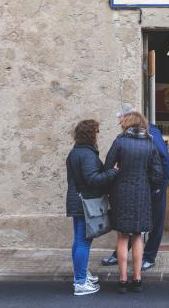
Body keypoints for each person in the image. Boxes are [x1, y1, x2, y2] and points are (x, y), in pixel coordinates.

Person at [101, 105, 169, 271]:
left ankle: (149, 256)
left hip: (154, 184)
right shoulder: (127, 137)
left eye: (121, 121)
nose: (120, 124)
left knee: (155, 221)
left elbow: (164, 159)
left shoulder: (151, 134)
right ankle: (120, 254)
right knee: (128, 222)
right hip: (139, 185)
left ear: (129, 118)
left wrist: (158, 185)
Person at [66, 119, 118, 296]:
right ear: (90, 134)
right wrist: (113, 172)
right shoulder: (87, 155)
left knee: (79, 241)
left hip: (78, 201)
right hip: (84, 203)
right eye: (97, 131)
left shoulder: (77, 151)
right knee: (83, 241)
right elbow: (92, 179)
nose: (98, 134)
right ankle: (80, 282)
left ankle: (80, 275)